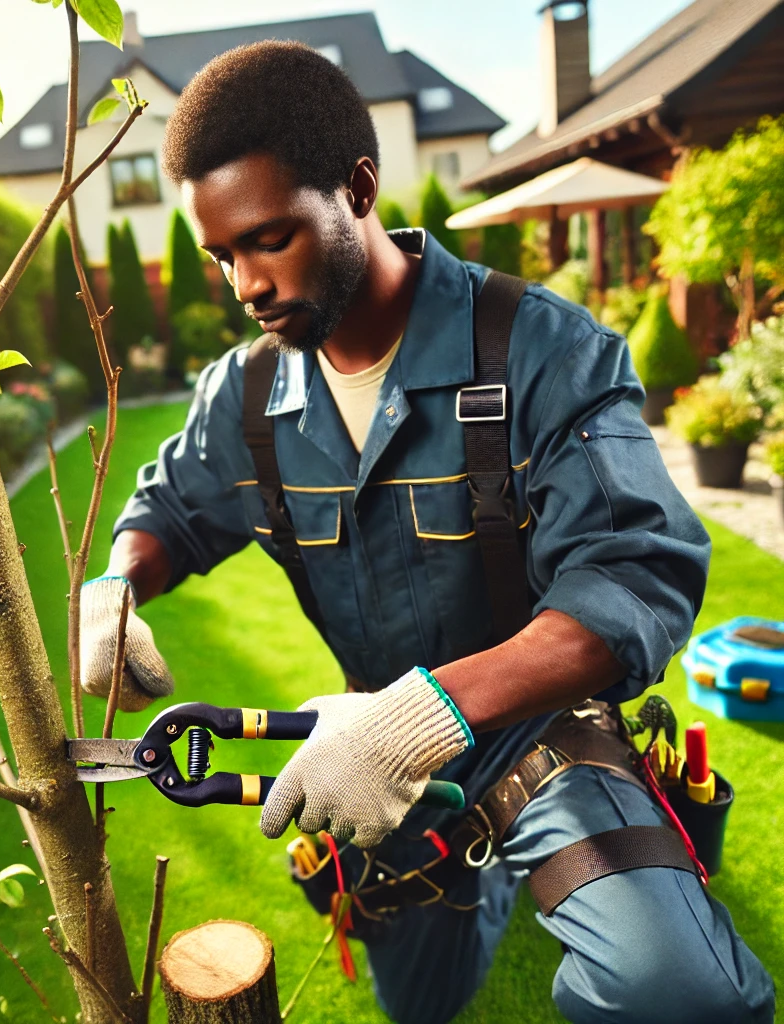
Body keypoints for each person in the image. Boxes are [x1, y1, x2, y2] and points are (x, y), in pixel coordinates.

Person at [79, 41, 775, 1024]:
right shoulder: (239, 399)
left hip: (543, 740)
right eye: (221, 255)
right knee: (423, 1002)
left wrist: (430, 713)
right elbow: (169, 509)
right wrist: (115, 588)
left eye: (268, 239)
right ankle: (472, 887)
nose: (244, 283)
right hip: (367, 754)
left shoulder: (544, 349)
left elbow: (632, 574)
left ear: (358, 186)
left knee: (676, 990)